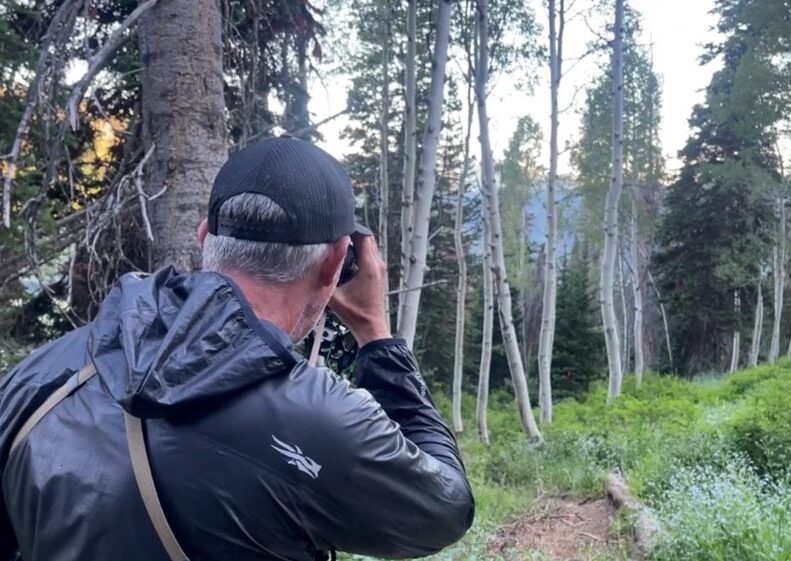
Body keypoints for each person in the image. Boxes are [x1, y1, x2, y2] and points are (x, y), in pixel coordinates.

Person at [0, 137, 474, 561]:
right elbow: (444, 510)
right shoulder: (321, 421)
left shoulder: (38, 375)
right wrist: (376, 336)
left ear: (205, 236)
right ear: (335, 262)